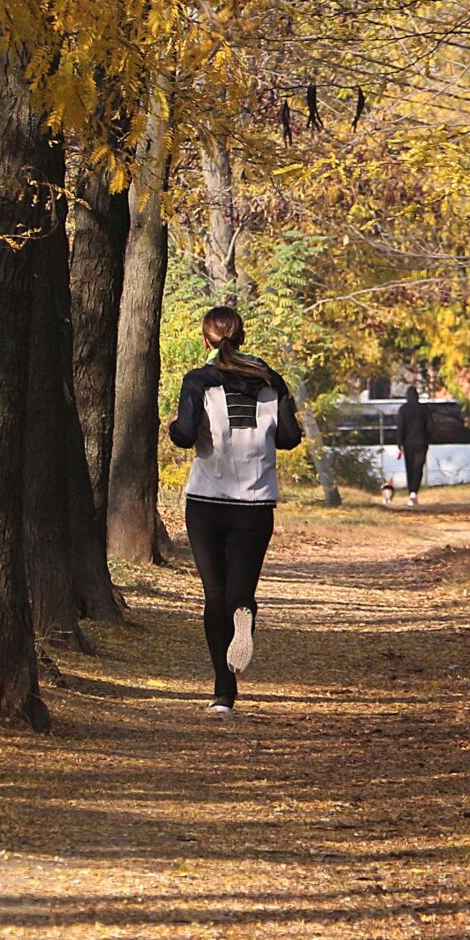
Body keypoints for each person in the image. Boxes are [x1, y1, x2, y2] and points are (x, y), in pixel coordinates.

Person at [166, 306, 302, 715]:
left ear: (206, 339)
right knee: (239, 590)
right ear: (241, 337)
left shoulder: (198, 381)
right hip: (255, 503)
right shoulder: (270, 380)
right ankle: (244, 611)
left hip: (206, 500)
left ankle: (223, 695)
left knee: (213, 594)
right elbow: (291, 438)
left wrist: (173, 425)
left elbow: (186, 437)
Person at [395, 386, 433, 507]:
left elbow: (400, 428)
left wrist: (399, 444)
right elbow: (430, 425)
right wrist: (427, 438)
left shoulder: (403, 410)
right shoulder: (424, 409)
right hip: (421, 443)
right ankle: (414, 492)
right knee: (418, 468)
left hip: (408, 443)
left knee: (410, 468)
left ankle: (411, 491)